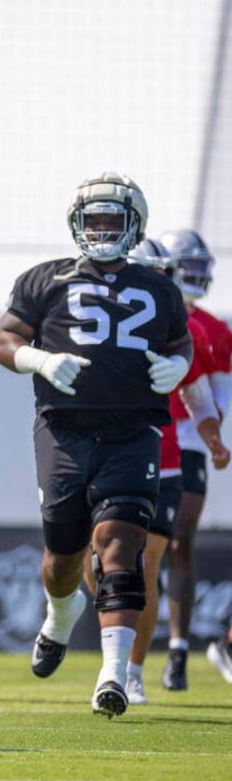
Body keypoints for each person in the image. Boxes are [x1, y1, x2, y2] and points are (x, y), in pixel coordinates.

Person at [0, 173, 192, 717]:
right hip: (64, 430)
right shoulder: (43, 279)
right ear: (77, 224)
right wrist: (37, 359)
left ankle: (114, 675)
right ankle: (60, 615)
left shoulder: (160, 288)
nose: (102, 229)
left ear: (134, 227)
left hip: (134, 431)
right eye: (94, 219)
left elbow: (181, 343)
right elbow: (3, 340)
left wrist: (179, 366)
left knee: (120, 547)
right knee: (63, 556)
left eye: (112, 220)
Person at [109, 239, 228, 704]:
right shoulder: (90, 318)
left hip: (171, 446)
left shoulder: (190, 326)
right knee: (88, 559)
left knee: (156, 555)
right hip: (103, 446)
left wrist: (214, 438)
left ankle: (143, 665)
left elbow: (203, 394)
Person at [158, 228, 232, 691]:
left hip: (184, 445)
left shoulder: (214, 328)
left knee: (178, 544)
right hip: (134, 439)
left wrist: (212, 430)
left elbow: (218, 392)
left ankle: (179, 651)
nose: (198, 276)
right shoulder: (142, 314)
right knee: (132, 550)